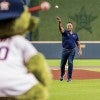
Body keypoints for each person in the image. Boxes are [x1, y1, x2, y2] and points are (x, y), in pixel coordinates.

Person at [56, 16, 82, 82]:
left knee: (70, 62)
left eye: (70, 25)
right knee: (62, 65)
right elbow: (60, 28)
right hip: (65, 50)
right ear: (67, 27)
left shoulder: (75, 34)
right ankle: (62, 74)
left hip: (72, 51)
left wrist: (80, 50)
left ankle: (69, 78)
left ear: (72, 27)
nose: (69, 27)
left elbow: (78, 43)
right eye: (68, 26)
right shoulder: (65, 33)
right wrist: (59, 22)